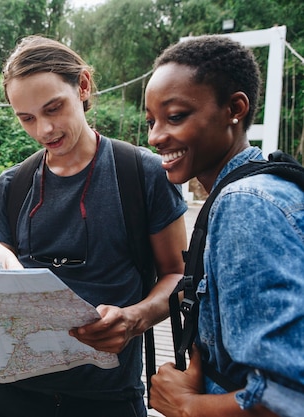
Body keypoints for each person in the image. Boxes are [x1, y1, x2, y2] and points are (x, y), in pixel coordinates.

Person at [0, 35, 188, 417]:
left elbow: (177, 273)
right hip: (15, 396)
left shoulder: (141, 174)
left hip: (108, 399)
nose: (43, 130)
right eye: (26, 118)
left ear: (84, 86)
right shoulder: (12, 186)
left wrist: (136, 317)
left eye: (53, 108)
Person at [145, 35, 304, 417]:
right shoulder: (275, 186)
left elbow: (289, 397)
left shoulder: (243, 204)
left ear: (235, 108)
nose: (155, 137)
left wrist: (185, 407)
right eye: (151, 121)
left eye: (176, 116)